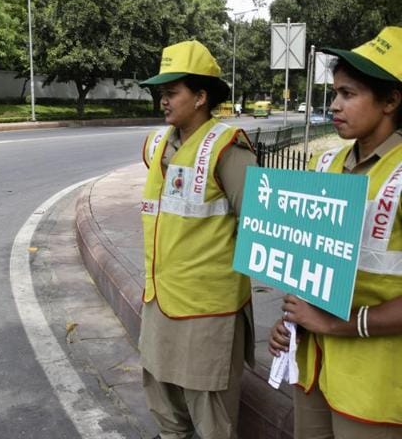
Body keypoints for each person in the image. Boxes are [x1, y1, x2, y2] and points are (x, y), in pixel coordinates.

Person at [269, 26, 402, 438]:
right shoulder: (325, 163)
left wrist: (335, 324)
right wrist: (290, 321)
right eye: (335, 92)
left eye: (349, 93)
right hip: (313, 367)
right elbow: (308, 261)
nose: (335, 104)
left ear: (391, 101)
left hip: (374, 384)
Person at [138, 40, 257, 439]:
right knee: (164, 405)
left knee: (211, 418)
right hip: (160, 300)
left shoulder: (229, 149)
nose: (163, 102)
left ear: (201, 96)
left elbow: (261, 225)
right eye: (161, 93)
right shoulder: (159, 144)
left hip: (208, 313)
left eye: (172, 93)